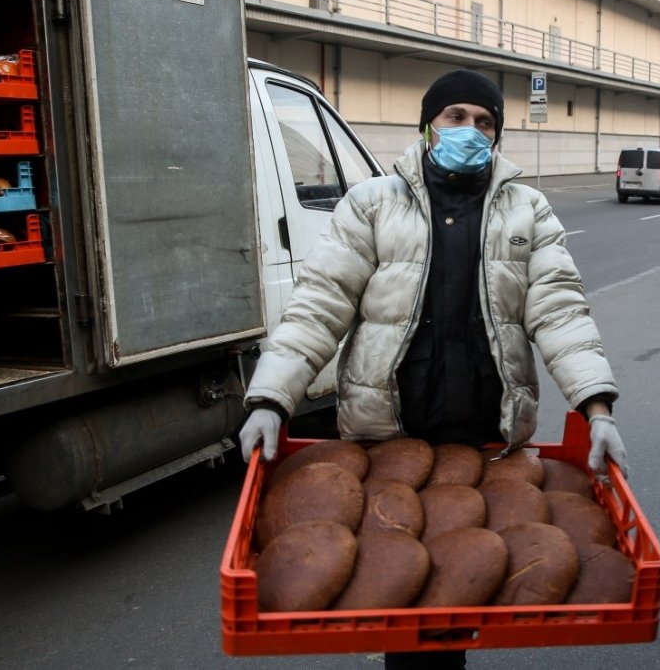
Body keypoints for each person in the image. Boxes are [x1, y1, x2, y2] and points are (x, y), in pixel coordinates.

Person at [239, 70, 625, 668]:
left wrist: (595, 407)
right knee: (402, 591)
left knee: (453, 586)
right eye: (456, 117)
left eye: (485, 122)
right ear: (427, 125)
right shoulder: (371, 203)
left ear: (498, 135)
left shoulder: (527, 209)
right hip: (392, 429)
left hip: (482, 427)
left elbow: (559, 308)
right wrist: (271, 399)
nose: (470, 131)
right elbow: (319, 306)